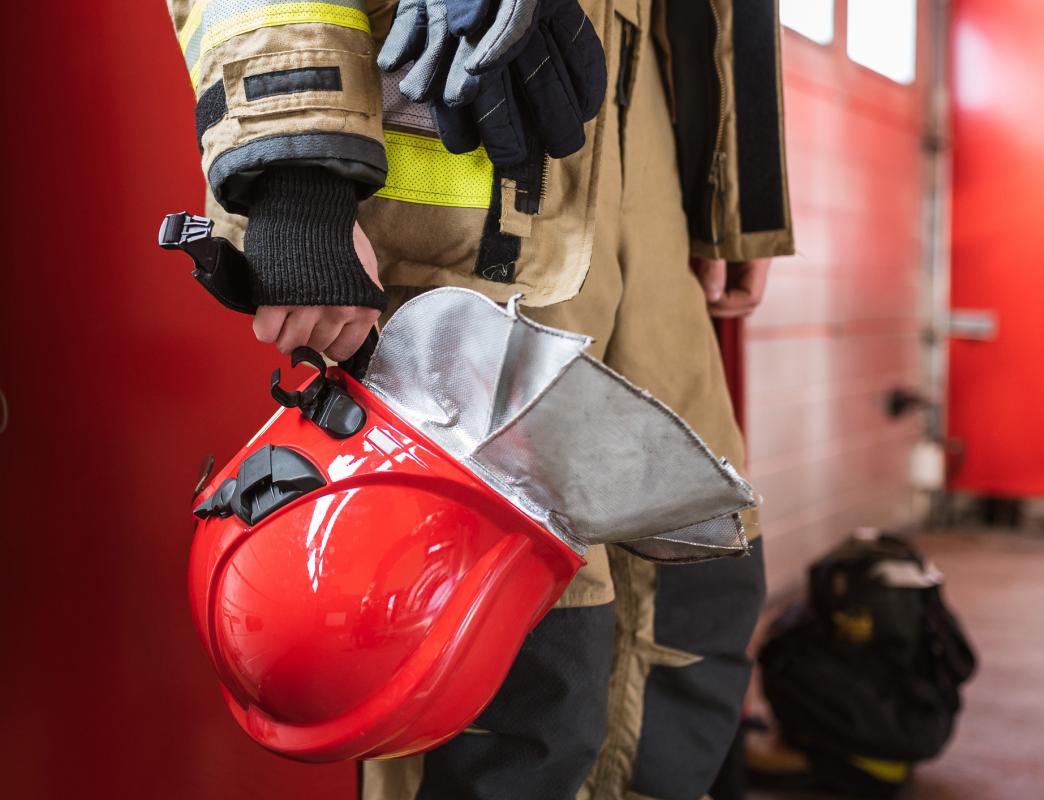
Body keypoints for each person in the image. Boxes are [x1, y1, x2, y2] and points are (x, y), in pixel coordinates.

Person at [166, 0, 793, 797]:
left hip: (642, 135)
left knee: (693, 608)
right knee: (507, 679)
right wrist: (296, 172)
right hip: (469, 148)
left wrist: (735, 191)